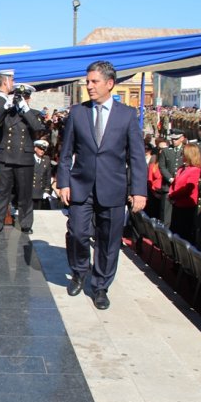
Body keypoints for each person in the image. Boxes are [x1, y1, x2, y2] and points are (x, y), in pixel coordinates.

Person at [57, 60, 147, 310]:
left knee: (108, 241)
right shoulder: (78, 112)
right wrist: (63, 182)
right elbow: (65, 152)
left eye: (94, 81)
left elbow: (137, 156)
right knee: (76, 232)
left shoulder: (127, 115)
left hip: (113, 188)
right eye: (87, 81)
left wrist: (139, 190)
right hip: (80, 186)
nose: (89, 86)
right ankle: (79, 271)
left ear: (110, 84)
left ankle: (100, 286)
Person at [0, 76, 45, 235]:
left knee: (25, 193)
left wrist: (25, 109)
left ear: (29, 98)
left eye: (26, 97)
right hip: (7, 156)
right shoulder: (8, 113)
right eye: (20, 96)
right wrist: (6, 106)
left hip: (24, 158)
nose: (23, 99)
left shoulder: (32, 113)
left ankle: (26, 224)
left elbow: (38, 127)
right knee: (1, 192)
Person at [168, 142, 201, 243]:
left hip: (186, 205)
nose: (181, 156)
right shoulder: (181, 168)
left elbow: (187, 189)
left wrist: (173, 196)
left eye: (183, 154)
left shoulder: (195, 170)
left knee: (183, 233)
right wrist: (171, 194)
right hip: (176, 203)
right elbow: (174, 183)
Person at [158, 128, 186, 227]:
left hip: (181, 188)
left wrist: (179, 181)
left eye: (176, 139)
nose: (173, 141)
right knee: (166, 217)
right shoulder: (166, 151)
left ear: (182, 138)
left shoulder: (186, 150)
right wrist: (170, 179)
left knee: (179, 218)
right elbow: (162, 167)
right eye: (172, 139)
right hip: (168, 187)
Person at [31, 139, 53, 210]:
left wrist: (47, 190)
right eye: (40, 149)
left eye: (44, 149)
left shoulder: (46, 160)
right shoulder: (29, 158)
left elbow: (48, 177)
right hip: (30, 191)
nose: (42, 151)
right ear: (35, 148)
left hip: (40, 192)